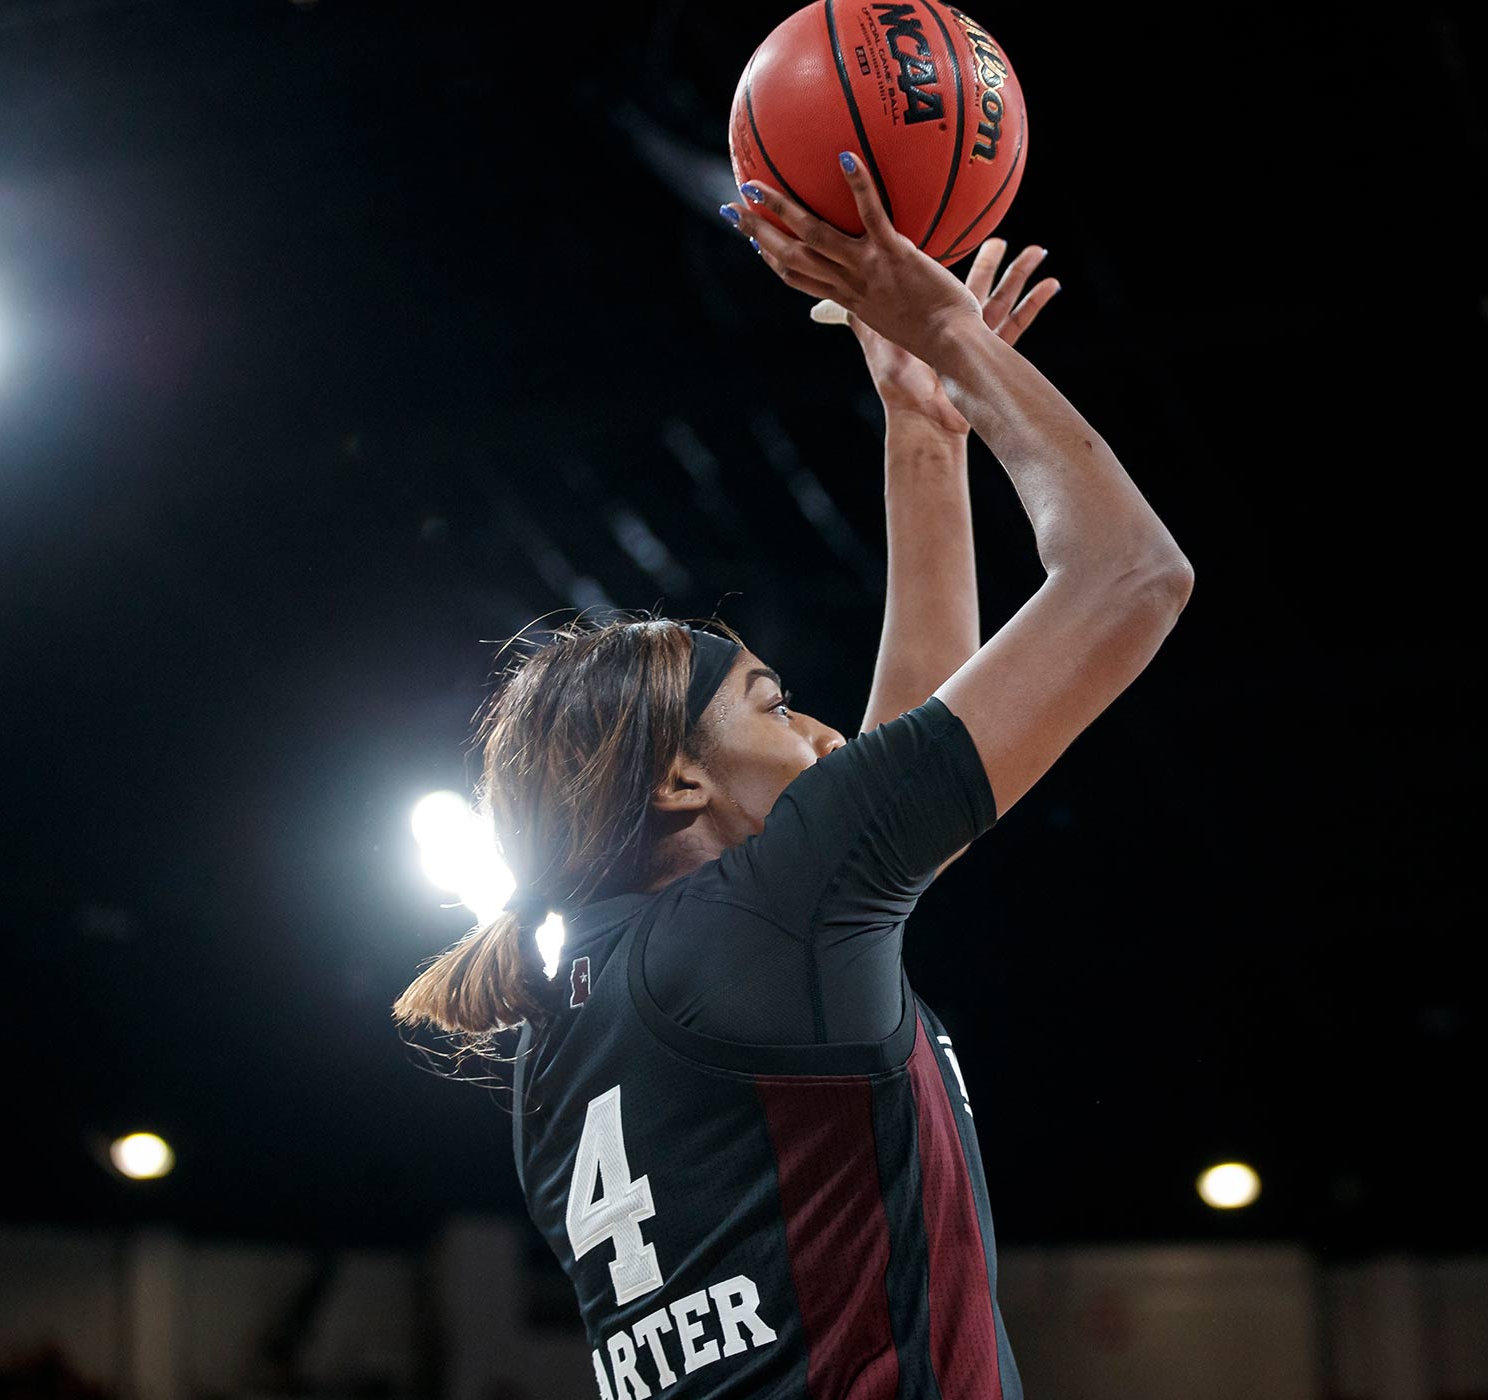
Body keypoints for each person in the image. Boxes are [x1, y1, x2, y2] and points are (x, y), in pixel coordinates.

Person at [394, 150, 1192, 1400]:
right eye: (769, 699)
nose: (818, 722)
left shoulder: (576, 1016)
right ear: (676, 785)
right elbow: (1133, 578)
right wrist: (957, 342)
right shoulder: (766, 922)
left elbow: (898, 796)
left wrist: (923, 437)